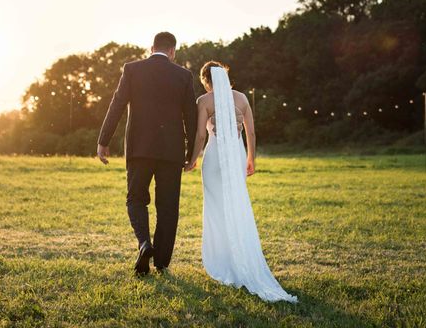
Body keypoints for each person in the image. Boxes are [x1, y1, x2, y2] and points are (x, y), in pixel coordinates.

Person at [185, 61, 298, 303]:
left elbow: (201, 135)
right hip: (237, 155)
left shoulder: (204, 101)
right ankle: (237, 257)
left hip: (214, 158)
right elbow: (251, 133)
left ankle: (222, 259)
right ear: (226, 77)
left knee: (215, 209)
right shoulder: (242, 98)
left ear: (206, 81)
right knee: (235, 205)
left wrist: (192, 159)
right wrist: (251, 159)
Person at [97, 32, 198, 275]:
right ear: (173, 51)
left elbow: (117, 104)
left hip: (139, 148)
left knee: (135, 198)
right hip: (171, 151)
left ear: (151, 48)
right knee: (168, 206)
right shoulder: (183, 75)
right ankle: (161, 261)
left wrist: (103, 140)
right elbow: (191, 116)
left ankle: (144, 243)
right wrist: (191, 152)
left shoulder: (132, 69)